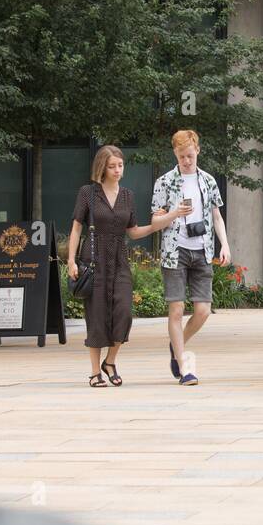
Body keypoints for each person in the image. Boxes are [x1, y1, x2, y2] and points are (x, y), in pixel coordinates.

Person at [68, 146, 189, 388]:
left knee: (124, 312)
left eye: (120, 166)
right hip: (94, 259)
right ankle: (95, 372)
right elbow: (76, 227)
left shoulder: (127, 196)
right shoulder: (88, 193)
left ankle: (110, 361)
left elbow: (133, 232)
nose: (117, 170)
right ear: (102, 167)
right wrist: (71, 260)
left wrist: (166, 219)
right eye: (112, 166)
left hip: (120, 259)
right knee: (97, 315)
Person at [151, 130, 230, 386]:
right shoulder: (164, 182)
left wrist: (224, 245)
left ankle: (176, 345)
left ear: (198, 151)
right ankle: (185, 369)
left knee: (203, 311)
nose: (186, 160)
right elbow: (155, 221)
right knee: (176, 309)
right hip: (175, 251)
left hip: (203, 249)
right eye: (182, 156)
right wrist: (175, 213)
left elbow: (217, 216)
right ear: (175, 153)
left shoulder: (207, 180)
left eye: (190, 155)